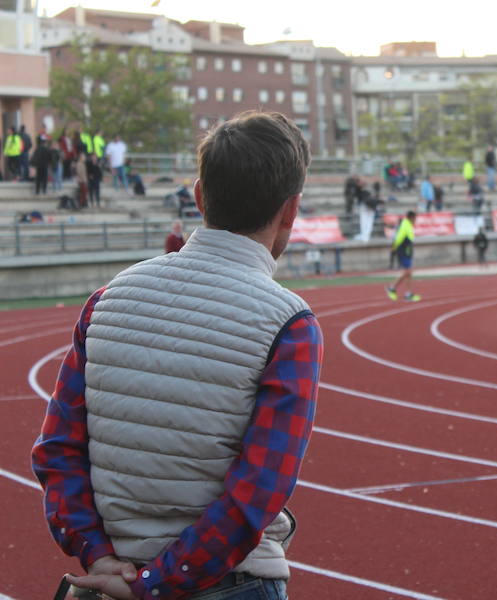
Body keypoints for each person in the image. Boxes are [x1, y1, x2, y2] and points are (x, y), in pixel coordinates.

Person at [32, 110, 321, 600]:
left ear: (199, 196)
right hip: (229, 584)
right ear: (291, 210)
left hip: (111, 574)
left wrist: (97, 554)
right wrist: (156, 583)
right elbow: (258, 490)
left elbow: (58, 447)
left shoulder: (107, 300)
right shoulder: (289, 324)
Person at [385, 210, 420, 301]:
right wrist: (394, 247)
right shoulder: (405, 225)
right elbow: (399, 238)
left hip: (406, 251)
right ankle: (392, 287)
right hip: (403, 251)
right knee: (408, 272)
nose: (415, 221)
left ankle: (408, 294)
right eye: (415, 219)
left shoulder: (407, 224)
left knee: (409, 273)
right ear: (411, 218)